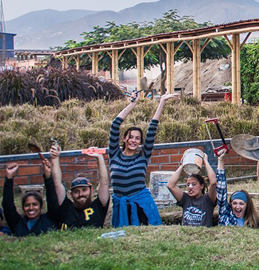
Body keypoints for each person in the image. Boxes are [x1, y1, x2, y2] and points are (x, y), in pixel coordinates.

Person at [108, 91, 179, 227]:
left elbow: (152, 127)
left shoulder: (142, 156)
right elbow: (115, 125)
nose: (133, 141)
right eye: (131, 137)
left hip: (141, 204)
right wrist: (133, 104)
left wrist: (162, 102)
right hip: (121, 204)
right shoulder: (114, 154)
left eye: (137, 138)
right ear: (124, 138)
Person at [48, 145, 110, 230]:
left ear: (91, 190)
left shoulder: (98, 206)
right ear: (71, 194)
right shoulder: (65, 207)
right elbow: (57, 183)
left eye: (84, 190)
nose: (81, 194)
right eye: (76, 191)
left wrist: (99, 157)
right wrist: (55, 159)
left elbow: (104, 183)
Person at [2, 163, 58, 237]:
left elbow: (52, 200)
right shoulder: (17, 222)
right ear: (23, 207)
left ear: (41, 206)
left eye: (35, 204)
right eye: (27, 205)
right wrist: (9, 178)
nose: (31, 208)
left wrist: (48, 177)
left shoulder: (50, 219)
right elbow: (7, 204)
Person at [167, 153, 218, 227]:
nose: (190, 187)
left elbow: (213, 182)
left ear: (201, 186)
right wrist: (183, 165)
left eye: (193, 184)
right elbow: (170, 185)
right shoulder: (185, 199)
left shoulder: (208, 199)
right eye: (188, 185)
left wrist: (205, 161)